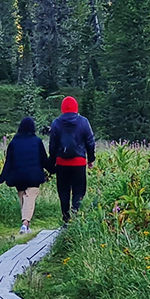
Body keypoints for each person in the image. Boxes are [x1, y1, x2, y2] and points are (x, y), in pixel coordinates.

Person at [0, 116, 51, 234]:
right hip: (33, 176)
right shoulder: (37, 141)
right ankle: (25, 223)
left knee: (23, 198)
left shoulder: (13, 143)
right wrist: (53, 169)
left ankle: (26, 226)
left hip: (18, 177)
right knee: (30, 197)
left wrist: (2, 177)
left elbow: (9, 162)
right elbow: (44, 160)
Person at [49, 96, 95, 224]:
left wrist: (53, 160)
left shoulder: (56, 123)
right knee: (79, 190)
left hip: (62, 163)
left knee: (63, 191)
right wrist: (91, 159)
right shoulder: (83, 122)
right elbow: (90, 142)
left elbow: (53, 144)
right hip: (79, 162)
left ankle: (66, 217)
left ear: (62, 108)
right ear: (76, 107)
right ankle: (76, 215)